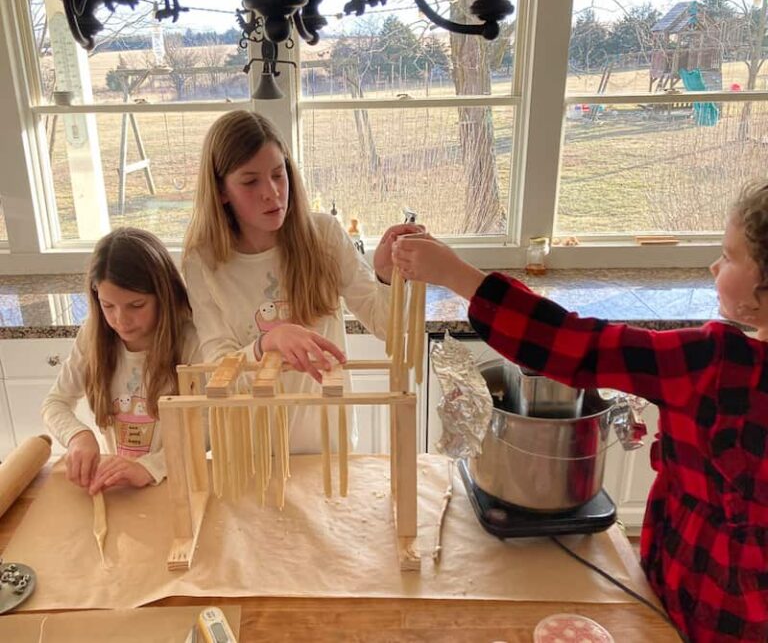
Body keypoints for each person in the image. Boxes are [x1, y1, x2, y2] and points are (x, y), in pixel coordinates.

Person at [392, 181, 768, 643]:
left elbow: (574, 345)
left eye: (729, 256)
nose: (714, 265)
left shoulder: (714, 364)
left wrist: (457, 275)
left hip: (699, 593)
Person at [183, 110, 420, 452]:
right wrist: (267, 343)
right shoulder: (202, 261)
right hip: (249, 453)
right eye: (250, 182)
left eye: (279, 175)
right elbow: (216, 370)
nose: (272, 193)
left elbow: (390, 328)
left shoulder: (323, 235)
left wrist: (386, 276)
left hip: (326, 449)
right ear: (221, 191)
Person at [42, 228, 199, 495]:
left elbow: (209, 423)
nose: (120, 320)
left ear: (165, 295)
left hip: (178, 482)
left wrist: (151, 466)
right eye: (108, 306)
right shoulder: (92, 335)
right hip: (122, 488)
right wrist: (77, 435)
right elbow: (55, 403)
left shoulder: (191, 340)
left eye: (136, 306)